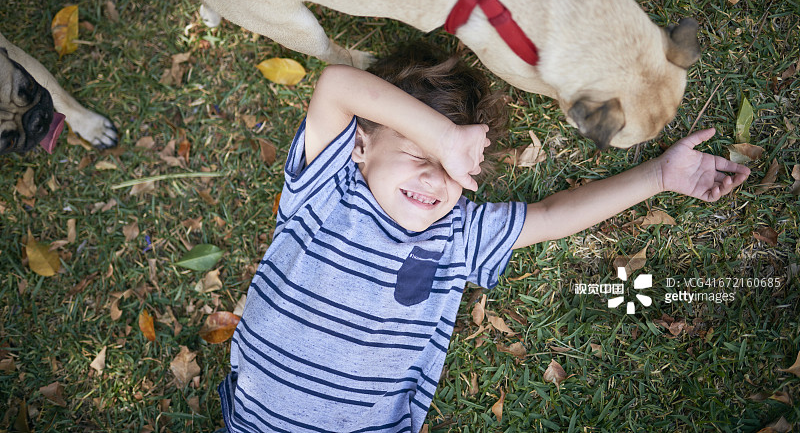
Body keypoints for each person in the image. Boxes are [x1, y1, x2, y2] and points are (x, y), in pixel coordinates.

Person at [218, 43, 749, 432]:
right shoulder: (326, 188)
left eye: (451, 169)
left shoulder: (459, 233)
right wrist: (445, 138)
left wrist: (658, 177)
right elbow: (336, 85)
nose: (433, 179)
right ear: (361, 144)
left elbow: (550, 216)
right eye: (417, 153)